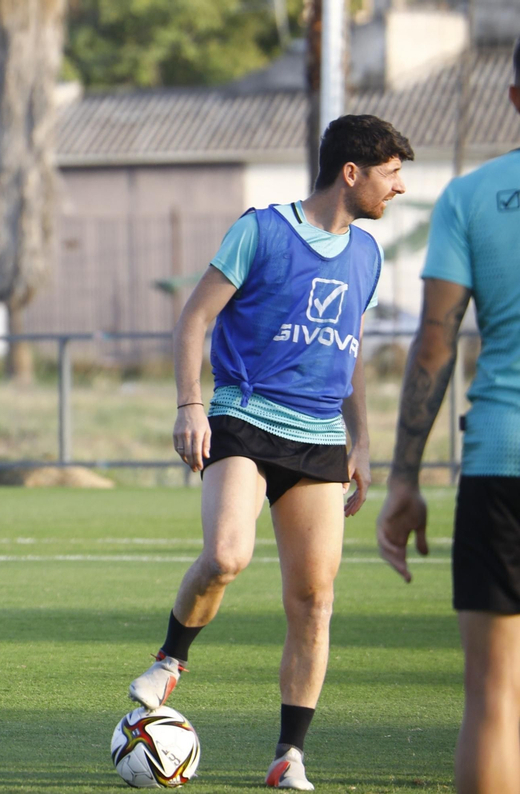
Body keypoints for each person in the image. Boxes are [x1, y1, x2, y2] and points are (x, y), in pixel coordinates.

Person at [127, 115, 412, 789]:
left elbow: (352, 350)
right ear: (353, 172)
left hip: (320, 440)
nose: (399, 188)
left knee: (314, 600)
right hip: (245, 418)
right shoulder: (260, 229)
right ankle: (171, 659)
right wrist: (190, 406)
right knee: (228, 555)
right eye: (393, 173)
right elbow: (194, 318)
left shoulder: (367, 254)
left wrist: (362, 443)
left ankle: (289, 756)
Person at [377, 38, 520, 794]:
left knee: (494, 701)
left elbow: (435, 344)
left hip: (500, 464)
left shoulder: (470, 197)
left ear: (515, 96)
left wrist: (403, 476)